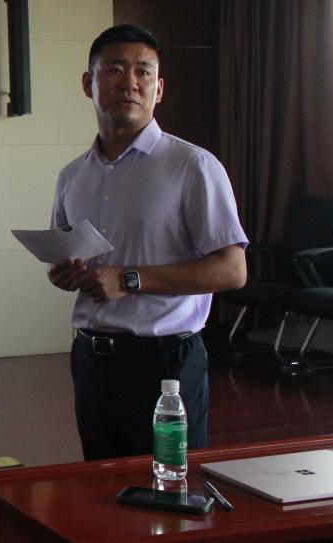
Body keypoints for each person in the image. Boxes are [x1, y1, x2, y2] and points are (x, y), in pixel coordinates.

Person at [48, 24, 248, 461]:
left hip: (165, 363)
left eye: (143, 71)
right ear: (88, 83)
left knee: (168, 486)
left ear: (159, 89)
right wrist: (65, 273)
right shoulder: (73, 175)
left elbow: (233, 270)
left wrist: (129, 279)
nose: (130, 83)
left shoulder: (192, 166)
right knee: (102, 484)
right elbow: (67, 254)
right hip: (91, 358)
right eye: (115, 70)